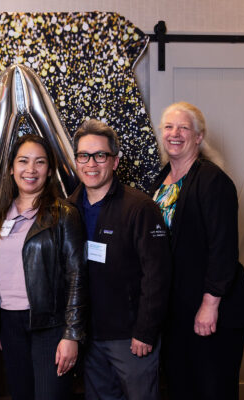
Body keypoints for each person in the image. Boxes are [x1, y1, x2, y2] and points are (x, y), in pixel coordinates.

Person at [150, 102, 244, 400]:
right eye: (168, 127)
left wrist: (210, 304)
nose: (174, 133)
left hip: (212, 309)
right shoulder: (161, 181)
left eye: (184, 127)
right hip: (178, 308)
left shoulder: (212, 180)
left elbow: (223, 247)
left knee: (212, 389)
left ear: (198, 137)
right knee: (182, 386)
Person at [68, 119, 171, 400]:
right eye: (83, 156)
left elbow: (157, 274)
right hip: (89, 338)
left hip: (131, 338)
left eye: (100, 155)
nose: (91, 163)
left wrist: (146, 331)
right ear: (76, 160)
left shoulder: (139, 208)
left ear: (114, 161)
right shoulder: (68, 207)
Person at [0, 134, 86, 400]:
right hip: (10, 325)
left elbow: (77, 277)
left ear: (49, 170)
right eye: (23, 161)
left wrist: (71, 335)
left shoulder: (64, 215)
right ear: (11, 168)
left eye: (39, 162)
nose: (30, 170)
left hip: (50, 327)